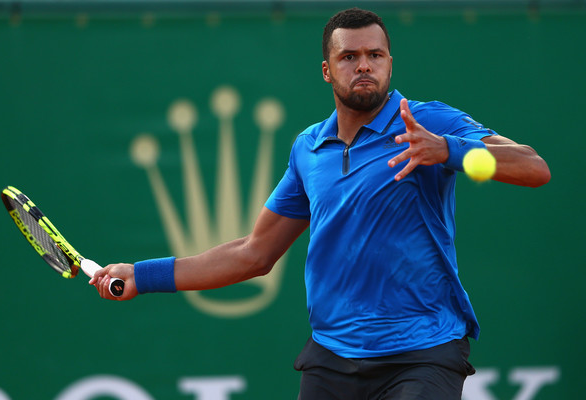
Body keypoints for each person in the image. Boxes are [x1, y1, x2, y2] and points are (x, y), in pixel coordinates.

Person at [91, 8, 550, 400]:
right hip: (332, 358)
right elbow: (254, 253)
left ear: (390, 64)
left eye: (374, 55)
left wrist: (449, 150)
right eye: (349, 57)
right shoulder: (308, 149)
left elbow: (533, 168)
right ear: (328, 70)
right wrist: (144, 274)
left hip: (422, 352)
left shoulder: (426, 120)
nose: (364, 66)